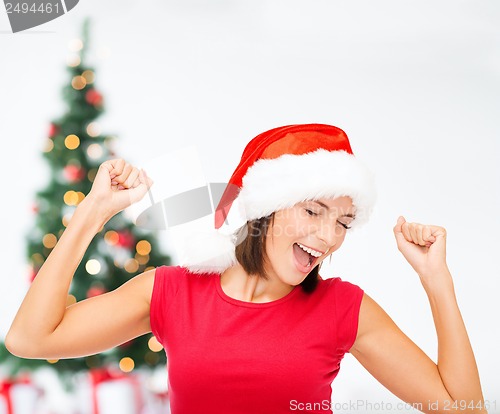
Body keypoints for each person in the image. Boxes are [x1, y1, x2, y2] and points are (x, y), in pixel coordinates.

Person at [6, 124, 486, 414]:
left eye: (342, 222)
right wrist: (93, 212)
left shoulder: (343, 309)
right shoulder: (174, 292)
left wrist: (436, 279)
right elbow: (29, 339)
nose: (328, 237)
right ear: (265, 210)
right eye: (312, 211)